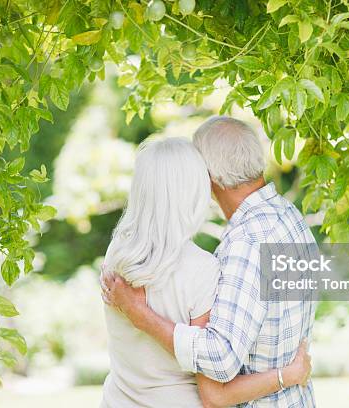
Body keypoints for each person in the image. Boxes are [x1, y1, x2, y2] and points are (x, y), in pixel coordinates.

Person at [103, 117, 318, 407]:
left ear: (210, 177)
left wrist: (140, 314)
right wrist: (288, 375)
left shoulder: (246, 245)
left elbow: (220, 358)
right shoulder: (288, 217)